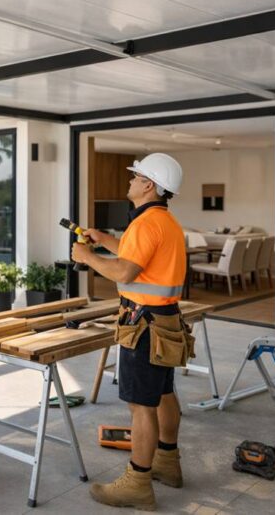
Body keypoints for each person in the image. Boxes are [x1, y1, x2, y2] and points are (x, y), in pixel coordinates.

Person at [71, 152, 188, 510]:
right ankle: (167, 463)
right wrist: (103, 239)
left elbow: (124, 272)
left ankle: (137, 482)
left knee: (141, 406)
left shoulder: (145, 223)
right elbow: (137, 256)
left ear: (149, 185)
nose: (131, 180)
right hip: (164, 321)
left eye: (136, 176)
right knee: (163, 393)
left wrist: (86, 257)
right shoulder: (163, 221)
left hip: (144, 325)